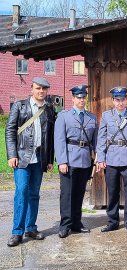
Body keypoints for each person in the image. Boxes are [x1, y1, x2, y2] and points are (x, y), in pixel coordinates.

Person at [5, 77, 55, 247]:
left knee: (34, 194)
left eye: (44, 89)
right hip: (22, 158)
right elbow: (10, 130)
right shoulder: (20, 106)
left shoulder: (48, 109)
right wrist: (12, 155)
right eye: (38, 88)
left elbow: (51, 137)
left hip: (39, 160)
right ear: (32, 89)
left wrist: (49, 160)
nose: (41, 91)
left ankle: (31, 228)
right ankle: (17, 232)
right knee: (21, 191)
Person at [96, 87, 127, 236]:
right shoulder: (106, 116)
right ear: (113, 101)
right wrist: (101, 158)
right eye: (117, 100)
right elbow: (101, 138)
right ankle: (112, 222)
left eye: (122, 99)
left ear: (126, 100)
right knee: (112, 192)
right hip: (111, 159)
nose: (120, 103)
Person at [54, 85, 98, 238]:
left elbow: (95, 140)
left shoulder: (91, 117)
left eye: (83, 97)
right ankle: (65, 225)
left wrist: (97, 158)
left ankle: (76, 223)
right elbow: (59, 140)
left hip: (85, 160)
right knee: (67, 194)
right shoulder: (64, 116)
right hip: (69, 159)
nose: (81, 100)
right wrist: (62, 161)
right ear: (73, 98)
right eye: (78, 97)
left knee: (79, 193)